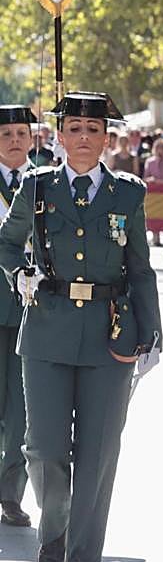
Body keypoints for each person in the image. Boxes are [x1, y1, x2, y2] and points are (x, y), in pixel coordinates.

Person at [0, 91, 162, 562]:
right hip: (45, 328)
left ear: (107, 138)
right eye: (75, 129)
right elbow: (7, 241)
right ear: (60, 136)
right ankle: (57, 525)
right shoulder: (37, 186)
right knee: (43, 450)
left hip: (109, 334)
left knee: (97, 455)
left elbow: (140, 267)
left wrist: (152, 333)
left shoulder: (127, 193)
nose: (85, 138)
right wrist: (19, 273)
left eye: (94, 130)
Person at [0, 105, 35, 527]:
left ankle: (11, 494)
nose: (13, 140)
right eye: (6, 133)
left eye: (20, 133)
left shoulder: (46, 183)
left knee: (23, 410)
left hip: (31, 308)